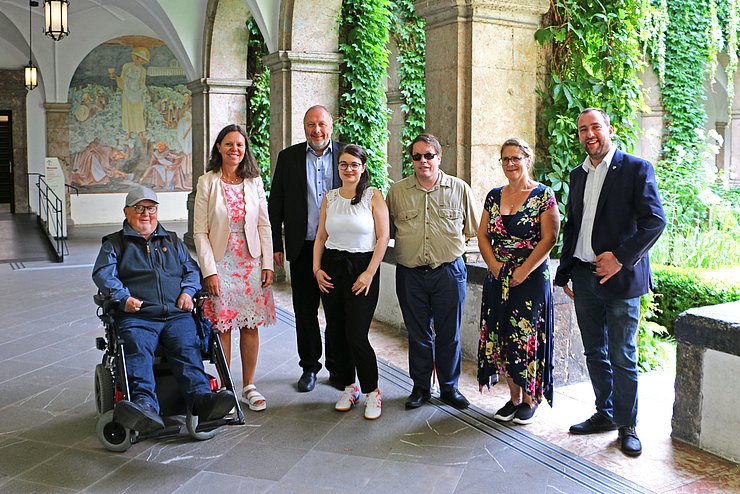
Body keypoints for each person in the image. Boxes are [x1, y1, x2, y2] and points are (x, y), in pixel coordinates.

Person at [554, 108, 666, 457]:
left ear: (610, 129)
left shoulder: (635, 168)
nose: (589, 135)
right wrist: (566, 271)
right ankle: (605, 413)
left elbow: (655, 222)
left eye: (595, 127)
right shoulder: (577, 175)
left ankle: (627, 425)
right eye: (582, 130)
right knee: (594, 352)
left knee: (623, 355)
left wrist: (619, 257)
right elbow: (573, 225)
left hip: (620, 279)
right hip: (585, 277)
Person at [92, 186, 234, 433]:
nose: (146, 213)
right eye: (139, 208)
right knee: (137, 351)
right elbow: (103, 274)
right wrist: (122, 297)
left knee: (187, 348)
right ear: (127, 212)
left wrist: (188, 292)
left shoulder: (172, 240)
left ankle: (202, 400)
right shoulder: (115, 244)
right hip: (138, 316)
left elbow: (191, 270)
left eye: (151, 208)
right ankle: (145, 406)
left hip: (176, 314)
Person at [386, 133, 480, 410]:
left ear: (439, 157)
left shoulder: (459, 188)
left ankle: (450, 388)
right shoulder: (398, 192)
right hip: (411, 273)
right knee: (417, 334)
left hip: (448, 272)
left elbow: (472, 230)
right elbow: (388, 231)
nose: (423, 161)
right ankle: (420, 387)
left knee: (449, 333)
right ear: (411, 160)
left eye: (429, 155)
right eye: (417, 156)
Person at [476, 138, 560, 425]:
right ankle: (513, 398)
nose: (510, 164)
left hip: (532, 277)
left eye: (516, 158)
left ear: (527, 159)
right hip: (498, 277)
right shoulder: (493, 196)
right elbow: (482, 235)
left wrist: (523, 270)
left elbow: (550, 237)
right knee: (502, 337)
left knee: (527, 337)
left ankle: (530, 398)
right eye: (505, 159)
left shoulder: (543, 195)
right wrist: (496, 266)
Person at [194, 124, 276, 412]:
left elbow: (264, 224)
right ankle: (227, 388)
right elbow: (200, 232)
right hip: (221, 263)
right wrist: (209, 271)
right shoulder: (207, 182)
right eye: (229, 144)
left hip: (250, 262)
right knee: (224, 327)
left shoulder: (254, 182)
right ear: (219, 147)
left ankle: (249, 386)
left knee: (250, 326)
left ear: (245, 150)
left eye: (240, 145)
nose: (235, 150)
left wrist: (267, 263)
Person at [268, 105, 344, 392]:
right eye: (311, 124)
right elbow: (275, 205)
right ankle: (310, 367)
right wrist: (276, 244)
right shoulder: (288, 158)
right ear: (304, 127)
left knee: (337, 310)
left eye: (322, 124)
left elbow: (363, 196)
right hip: (302, 246)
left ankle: (337, 368)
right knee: (305, 310)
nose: (317, 130)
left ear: (331, 125)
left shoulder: (346, 155)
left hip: (338, 249)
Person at [313, 144, 390, 420]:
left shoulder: (373, 196)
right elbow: (321, 236)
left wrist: (369, 272)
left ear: (363, 167)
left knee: (357, 334)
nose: (348, 169)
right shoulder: (330, 198)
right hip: (333, 267)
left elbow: (383, 238)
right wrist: (316, 269)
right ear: (338, 168)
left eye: (354, 165)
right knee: (336, 332)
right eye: (344, 164)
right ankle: (349, 387)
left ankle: (372, 391)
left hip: (362, 267)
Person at [110, 46, 149, 142]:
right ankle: (129, 131)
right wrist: (116, 78)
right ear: (135, 57)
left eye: (142, 59)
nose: (139, 60)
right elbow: (122, 79)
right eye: (138, 58)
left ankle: (140, 132)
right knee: (127, 112)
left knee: (138, 112)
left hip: (137, 93)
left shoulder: (143, 70)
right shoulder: (126, 66)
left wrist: (145, 92)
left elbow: (142, 83)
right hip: (127, 91)